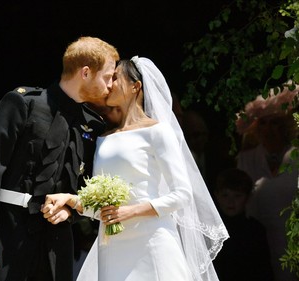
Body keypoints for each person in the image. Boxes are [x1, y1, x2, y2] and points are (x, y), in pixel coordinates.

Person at [42, 56, 229, 281]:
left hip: (152, 241)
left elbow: (182, 195)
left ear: (135, 86)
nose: (108, 85)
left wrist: (130, 212)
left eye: (115, 78)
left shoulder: (157, 132)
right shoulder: (103, 137)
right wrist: (71, 200)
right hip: (111, 247)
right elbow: (104, 210)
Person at [0, 36, 120, 281]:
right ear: (86, 72)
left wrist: (71, 212)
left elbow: (86, 188)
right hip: (6, 233)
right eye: (108, 76)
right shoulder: (22, 104)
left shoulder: (92, 126)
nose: (111, 85)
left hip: (56, 245)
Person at [235, 84, 299, 281]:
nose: (269, 129)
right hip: (259, 240)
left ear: (285, 126)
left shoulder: (296, 155)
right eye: (264, 123)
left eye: (275, 123)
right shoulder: (246, 159)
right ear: (256, 127)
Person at [212, 168, 274, 281]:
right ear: (216, 195)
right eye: (225, 195)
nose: (230, 202)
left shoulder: (255, 230)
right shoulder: (210, 229)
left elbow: (264, 271)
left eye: (237, 196)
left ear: (248, 197)